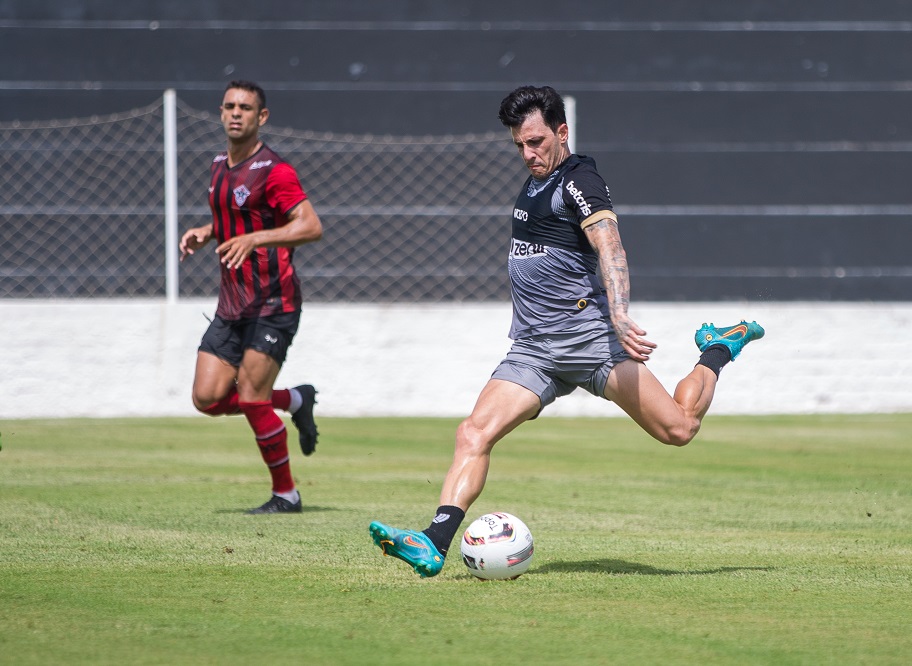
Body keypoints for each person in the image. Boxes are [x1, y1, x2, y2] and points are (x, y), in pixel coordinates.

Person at [368, 85, 764, 576]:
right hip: (534, 350)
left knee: (679, 429)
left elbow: (611, 247)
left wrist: (619, 316)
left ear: (561, 132)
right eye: (519, 145)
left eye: (536, 142)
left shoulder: (579, 179)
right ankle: (433, 541)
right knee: (473, 432)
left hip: (590, 342)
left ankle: (718, 349)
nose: (528, 154)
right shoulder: (536, 181)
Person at [179, 80, 323, 514]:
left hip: (273, 304)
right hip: (232, 306)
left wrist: (257, 239)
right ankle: (296, 399)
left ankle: (287, 495)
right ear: (221, 113)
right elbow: (232, 217)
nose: (236, 113)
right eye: (229, 106)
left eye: (246, 107)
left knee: (252, 398)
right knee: (206, 398)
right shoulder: (218, 165)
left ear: (262, 117)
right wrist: (208, 231)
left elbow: (311, 226)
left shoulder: (275, 170)